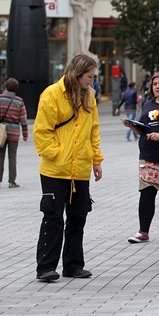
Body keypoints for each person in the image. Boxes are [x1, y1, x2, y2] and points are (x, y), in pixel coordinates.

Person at [33, 54, 104, 281]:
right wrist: (55, 154)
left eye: (93, 77)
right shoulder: (52, 94)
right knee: (53, 216)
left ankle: (73, 265)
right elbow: (41, 131)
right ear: (78, 73)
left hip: (80, 168)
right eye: (89, 76)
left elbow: (93, 130)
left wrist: (96, 160)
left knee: (78, 217)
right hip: (55, 168)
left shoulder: (89, 97)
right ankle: (45, 267)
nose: (91, 81)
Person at [123, 72, 159, 243]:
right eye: (155, 84)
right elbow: (143, 127)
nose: (157, 86)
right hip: (148, 155)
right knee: (147, 192)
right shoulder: (148, 104)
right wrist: (132, 126)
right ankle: (143, 231)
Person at [0, 78, 28, 189]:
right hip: (14, 132)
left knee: (0, 156)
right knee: (12, 157)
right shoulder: (19, 101)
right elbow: (23, 120)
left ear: (5, 86)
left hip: (0, 132)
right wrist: (25, 134)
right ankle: (12, 181)